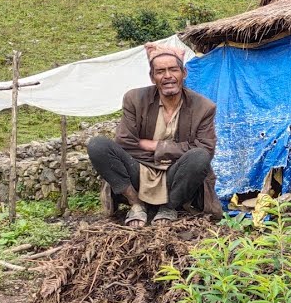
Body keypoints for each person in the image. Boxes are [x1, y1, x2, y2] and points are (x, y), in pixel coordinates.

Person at [87, 43, 221, 227]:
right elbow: (124, 142)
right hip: (139, 171)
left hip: (178, 175)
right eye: (160, 71)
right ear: (152, 77)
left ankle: (169, 207)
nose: (168, 76)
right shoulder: (134, 99)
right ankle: (136, 204)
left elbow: (205, 149)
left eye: (173, 70)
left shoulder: (203, 107)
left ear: (184, 74)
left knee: (199, 157)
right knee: (97, 145)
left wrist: (155, 146)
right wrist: (178, 149)